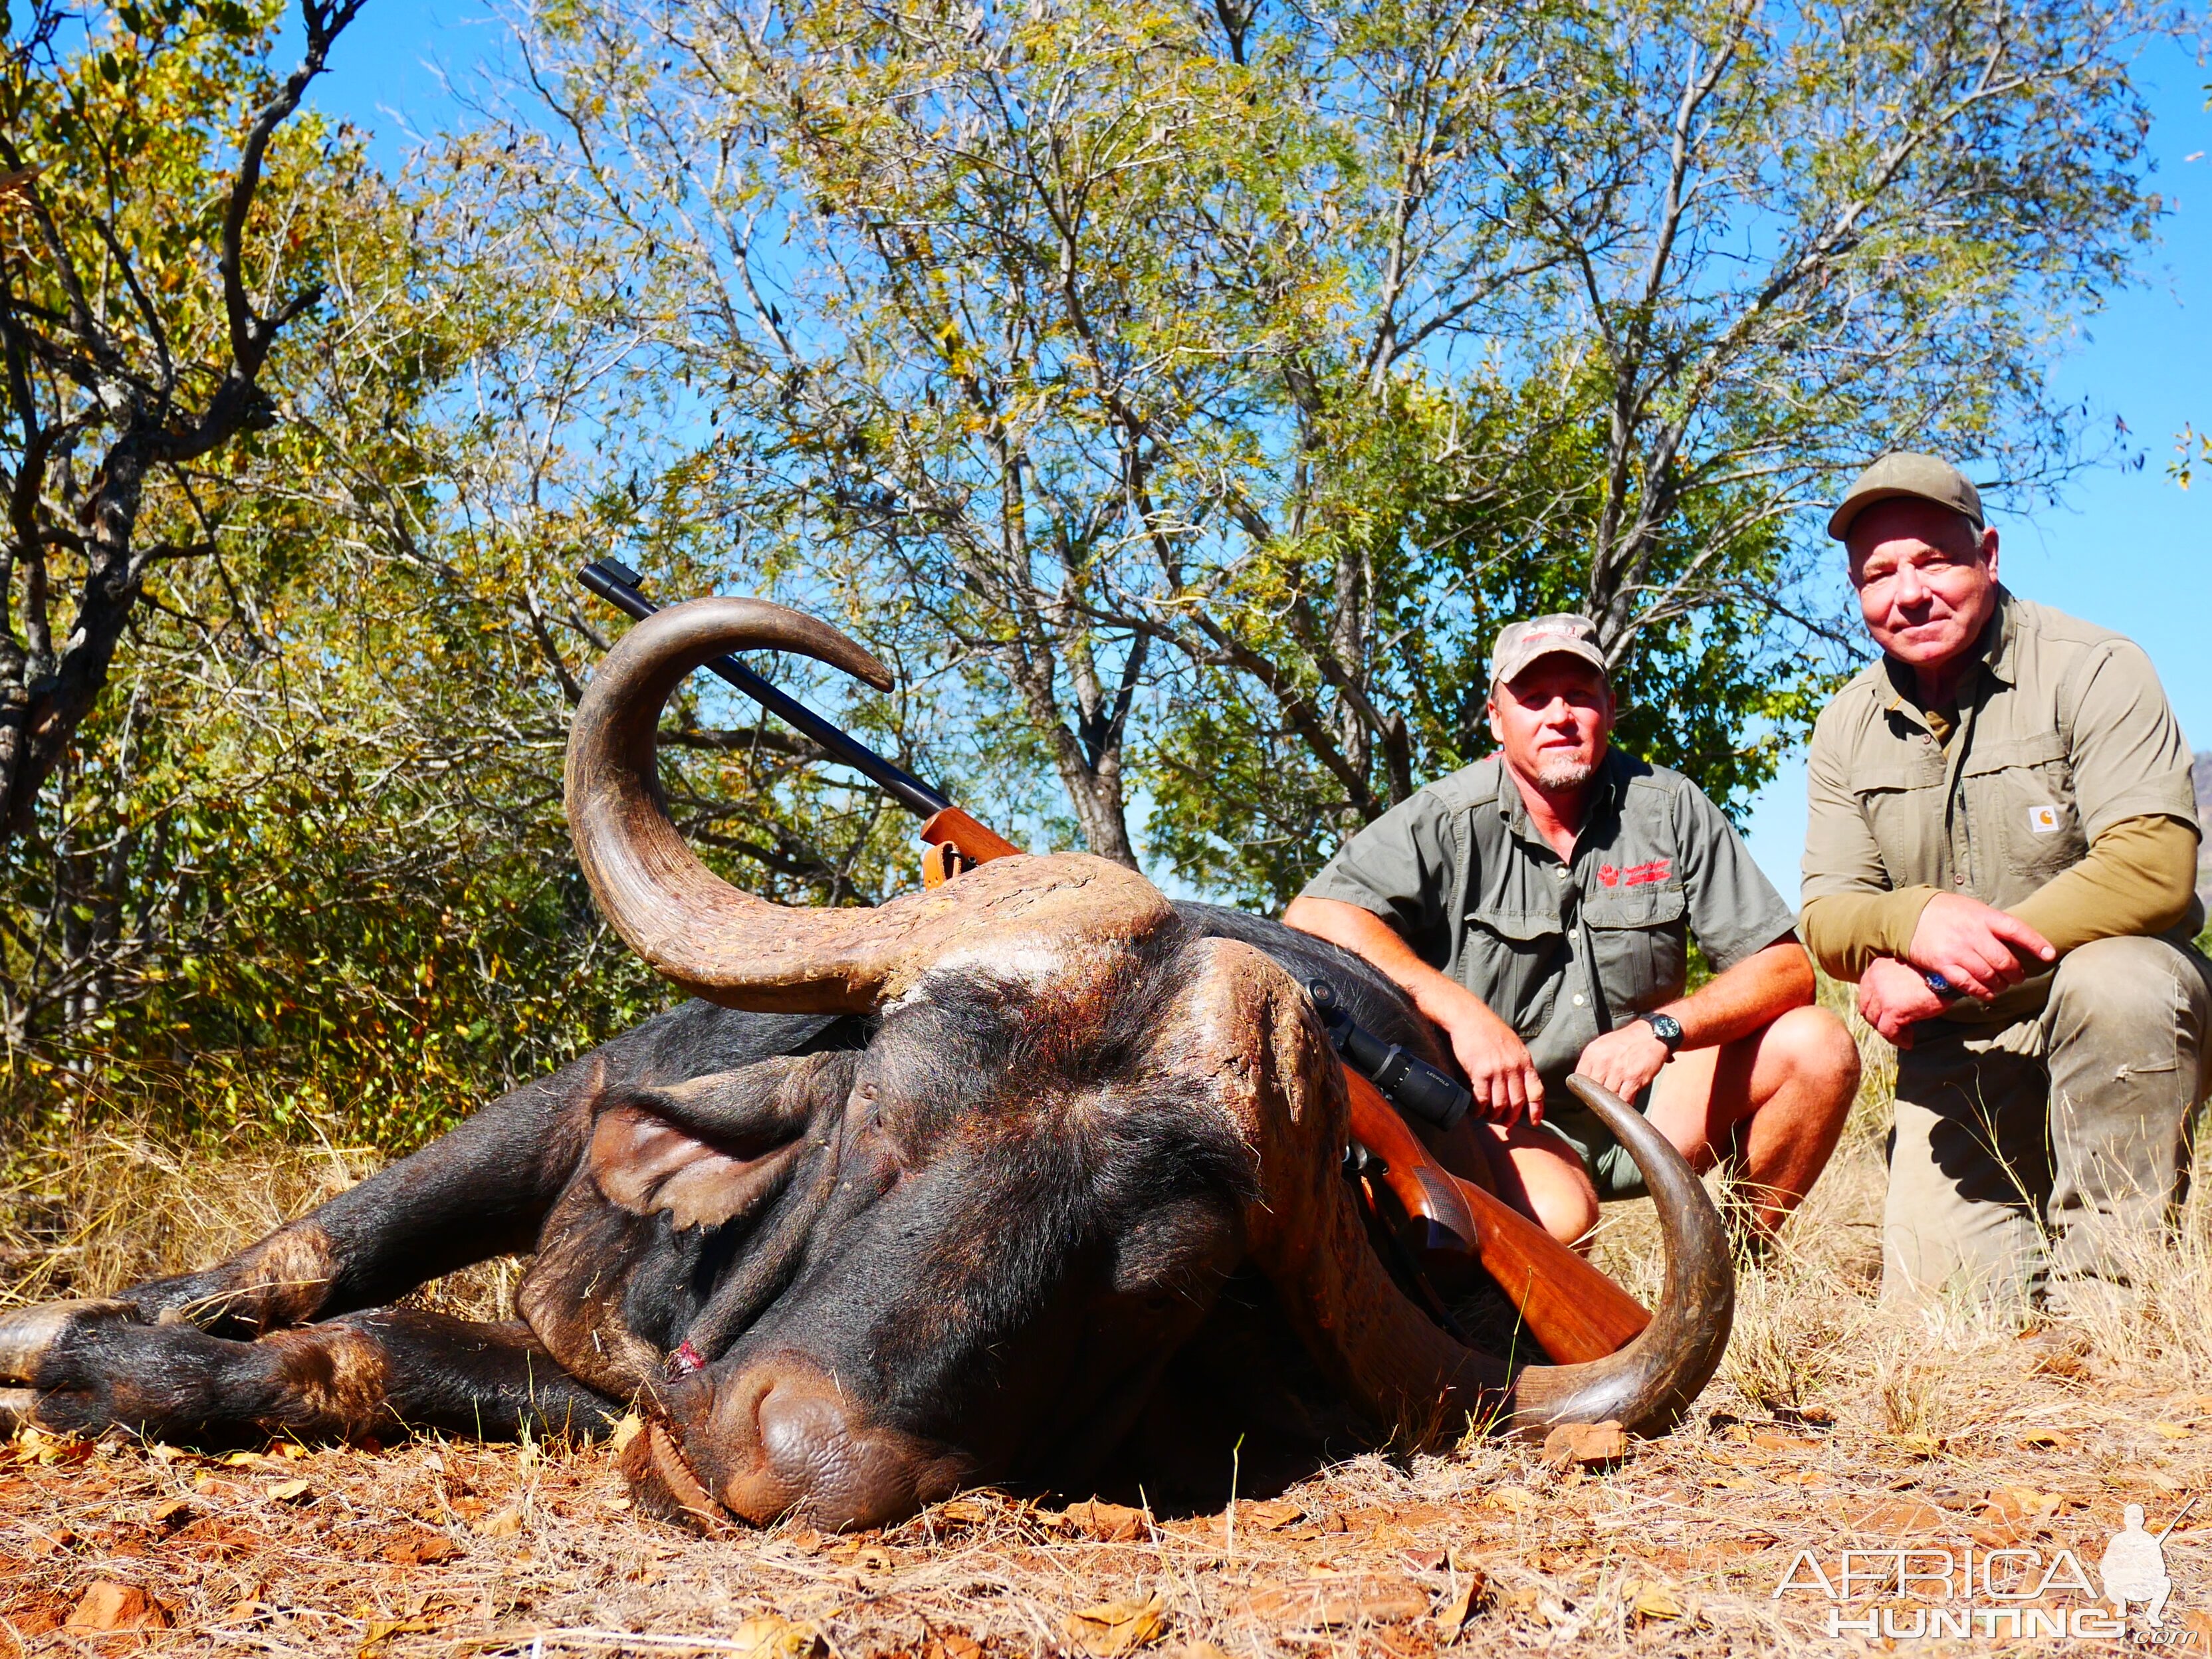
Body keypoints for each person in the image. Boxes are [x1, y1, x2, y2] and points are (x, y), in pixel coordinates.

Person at [1283, 615, 1860, 1250]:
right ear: (1498, 719)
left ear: (1609, 709)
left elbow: (1787, 970)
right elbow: (1315, 916)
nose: (1559, 715)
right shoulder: (1447, 816)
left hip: (1648, 1100)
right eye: (1533, 699)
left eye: (1580, 695)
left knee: (1818, 1045)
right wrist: (1466, 1018)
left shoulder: (1670, 806)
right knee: (1564, 1219)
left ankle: (1743, 1269)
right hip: (1504, 1117)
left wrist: (1660, 1030)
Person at [1801, 451, 2209, 1313]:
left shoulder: (2095, 665)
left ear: (1988, 554)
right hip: (1959, 1048)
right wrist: (1909, 925)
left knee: (2125, 977)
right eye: (1878, 574)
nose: (1908, 593)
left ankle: (2114, 1308)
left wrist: (1945, 964)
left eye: (1934, 560)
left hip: (2098, 1015)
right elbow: (1827, 915)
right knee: (1939, 1326)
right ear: (1856, 591)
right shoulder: (1844, 724)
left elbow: (2156, 865)